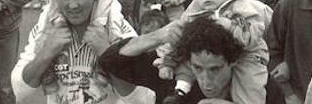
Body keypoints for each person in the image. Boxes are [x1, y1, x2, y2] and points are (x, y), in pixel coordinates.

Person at [14, 0, 138, 104]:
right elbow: (19, 91)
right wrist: (46, 52)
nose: (72, 5)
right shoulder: (47, 29)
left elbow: (143, 98)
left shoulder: (117, 29)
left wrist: (107, 54)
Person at [159, 0, 272, 103]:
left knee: (249, 86)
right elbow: (180, 35)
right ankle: (181, 89)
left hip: (248, 53)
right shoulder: (194, 9)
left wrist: (229, 25)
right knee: (193, 58)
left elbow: (252, 34)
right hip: (210, 55)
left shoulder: (239, 5)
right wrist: (168, 62)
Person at [100, 15, 242, 103]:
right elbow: (110, 61)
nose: (206, 79)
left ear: (234, 62)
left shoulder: (252, 84)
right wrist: (159, 36)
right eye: (197, 68)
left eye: (215, 69)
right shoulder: (172, 77)